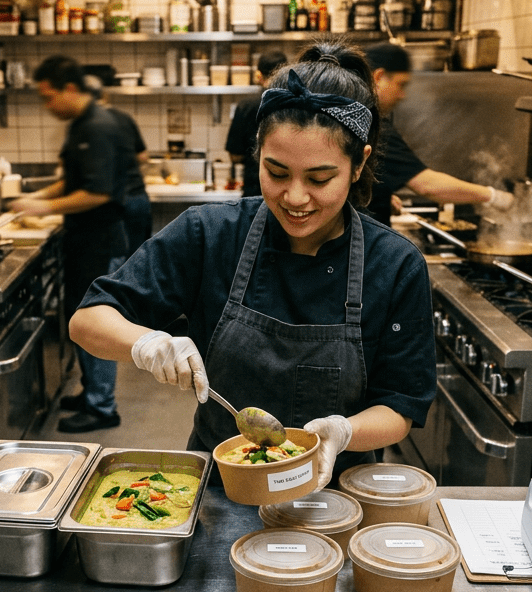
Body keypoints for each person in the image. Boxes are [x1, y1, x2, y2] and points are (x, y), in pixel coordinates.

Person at [68, 43, 437, 489]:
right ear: (258, 154)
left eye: (320, 179)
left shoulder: (394, 263)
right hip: (220, 490)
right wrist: (146, 343)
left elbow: (400, 406)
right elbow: (88, 320)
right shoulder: (212, 234)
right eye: (276, 172)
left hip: (337, 495)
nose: (296, 198)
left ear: (358, 165)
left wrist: (345, 432)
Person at [9, 55, 136, 433]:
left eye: (48, 98)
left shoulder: (98, 126)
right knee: (79, 318)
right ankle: (91, 391)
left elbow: (97, 193)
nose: (47, 107)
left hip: (100, 242)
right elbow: (73, 182)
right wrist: (33, 198)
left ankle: (102, 407)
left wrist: (44, 206)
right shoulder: (82, 124)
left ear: (69, 88)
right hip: (84, 242)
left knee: (96, 322)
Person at [364, 42, 516, 225]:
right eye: (400, 84)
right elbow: (427, 186)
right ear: (379, 76)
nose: (402, 95)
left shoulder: (353, 113)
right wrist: (494, 196)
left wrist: (376, 196)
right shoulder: (372, 124)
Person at [83, 73, 153, 257]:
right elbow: (142, 156)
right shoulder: (124, 118)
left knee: (115, 267)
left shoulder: (86, 124)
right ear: (104, 95)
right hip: (137, 198)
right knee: (140, 262)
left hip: (112, 205)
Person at [224, 50, 288, 198]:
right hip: (286, 193)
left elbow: (235, 156)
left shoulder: (246, 106)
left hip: (255, 191)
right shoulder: (297, 104)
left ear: (258, 75)